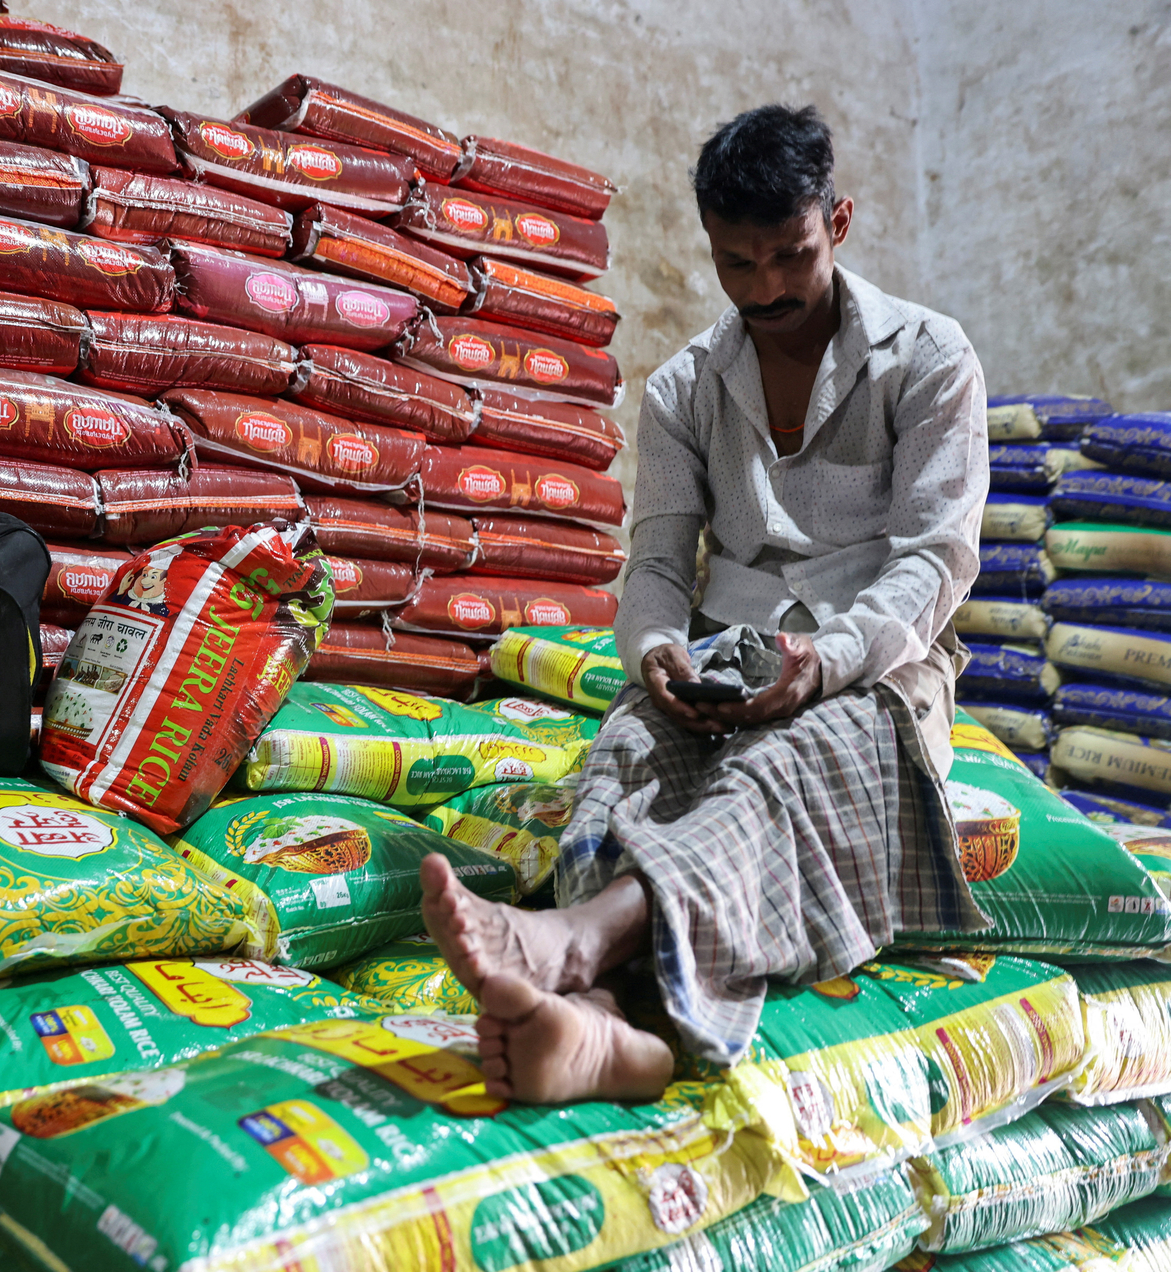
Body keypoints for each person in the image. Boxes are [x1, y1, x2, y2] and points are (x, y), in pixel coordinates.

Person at [422, 104, 990, 1104]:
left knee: (775, 769)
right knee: (626, 761)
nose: (767, 288)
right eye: (738, 264)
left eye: (790, 255)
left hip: (880, 666)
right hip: (721, 653)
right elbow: (655, 564)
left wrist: (823, 664)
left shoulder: (930, 357)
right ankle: (607, 1032)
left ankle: (572, 944)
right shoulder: (685, 388)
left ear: (838, 222)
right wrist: (655, 654)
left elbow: (934, 563)